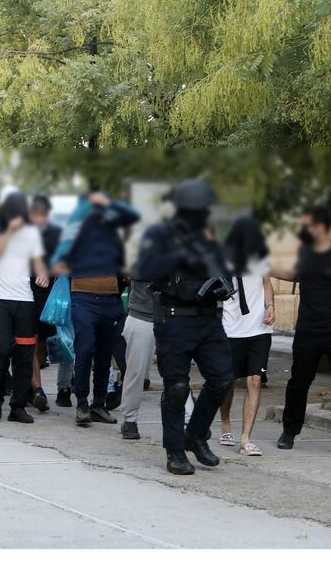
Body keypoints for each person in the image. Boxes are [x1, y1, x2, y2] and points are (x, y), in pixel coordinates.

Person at [134, 177, 236, 475]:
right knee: (177, 387)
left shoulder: (209, 237)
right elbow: (142, 270)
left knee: (223, 379)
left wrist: (222, 284)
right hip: (175, 318)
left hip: (208, 319)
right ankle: (175, 451)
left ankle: (195, 434)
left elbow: (223, 269)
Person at [271, 204, 331, 458]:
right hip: (307, 331)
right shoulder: (304, 253)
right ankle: (289, 432)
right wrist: (268, 268)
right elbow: (295, 274)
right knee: (298, 383)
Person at [51, 190, 139, 427]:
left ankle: (98, 404)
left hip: (110, 300)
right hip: (83, 299)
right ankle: (82, 404)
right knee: (85, 349)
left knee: (104, 354)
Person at [0, 192, 49, 423]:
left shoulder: (31, 233)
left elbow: (37, 260)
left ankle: (18, 406)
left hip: (25, 300)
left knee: (25, 354)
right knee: (3, 349)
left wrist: (43, 273)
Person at [217, 217, 275, 456]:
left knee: (254, 381)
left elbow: (266, 283)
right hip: (231, 330)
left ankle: (245, 438)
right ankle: (225, 423)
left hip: (259, 329)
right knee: (228, 382)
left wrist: (270, 305)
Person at [29, 195, 69, 410]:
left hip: (47, 296)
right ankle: (37, 389)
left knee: (41, 343)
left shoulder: (55, 234)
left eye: (42, 215)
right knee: (31, 340)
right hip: (25, 293)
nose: (39, 220)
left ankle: (32, 385)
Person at [118, 279, 155, 440]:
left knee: (178, 374)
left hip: (177, 315)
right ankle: (130, 420)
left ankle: (190, 421)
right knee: (136, 371)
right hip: (142, 315)